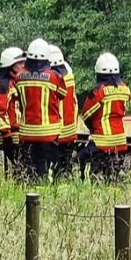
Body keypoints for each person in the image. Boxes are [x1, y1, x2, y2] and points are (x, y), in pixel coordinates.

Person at [8, 38, 67, 179]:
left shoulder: (19, 77)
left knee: (29, 167)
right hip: (49, 132)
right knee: (46, 167)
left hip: (27, 131)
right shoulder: (54, 77)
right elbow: (62, 94)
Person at [78, 52, 131, 180]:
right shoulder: (125, 89)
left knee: (80, 157)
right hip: (120, 140)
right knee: (113, 172)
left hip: (101, 141)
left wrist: (93, 128)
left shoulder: (99, 92)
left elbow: (86, 114)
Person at [0, 46, 25, 175]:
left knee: (22, 168)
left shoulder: (19, 82)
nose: (23, 65)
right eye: (20, 63)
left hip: (20, 132)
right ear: (10, 65)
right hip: (11, 135)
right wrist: (6, 133)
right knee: (19, 168)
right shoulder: (3, 85)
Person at [49, 45, 78, 176]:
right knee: (65, 165)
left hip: (55, 131)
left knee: (53, 164)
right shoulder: (69, 75)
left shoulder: (50, 78)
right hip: (70, 129)